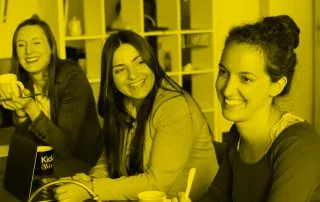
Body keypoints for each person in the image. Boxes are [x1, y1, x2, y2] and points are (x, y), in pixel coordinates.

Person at [54, 30, 219, 201]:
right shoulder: (124, 104)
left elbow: (156, 184)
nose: (133, 75)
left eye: (139, 62)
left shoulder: (175, 107)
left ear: (151, 61)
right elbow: (109, 160)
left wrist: (91, 189)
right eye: (120, 70)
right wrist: (91, 179)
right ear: (111, 79)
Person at [175, 15, 320, 202]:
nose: (227, 89)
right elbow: (217, 197)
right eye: (224, 72)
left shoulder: (298, 146)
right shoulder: (237, 134)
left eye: (245, 78)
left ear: (277, 86)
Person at [0, 16, 103, 166]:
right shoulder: (22, 82)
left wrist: (30, 107)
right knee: (11, 173)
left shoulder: (72, 77)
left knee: (28, 178)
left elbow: (65, 146)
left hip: (81, 159)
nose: (29, 51)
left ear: (50, 47)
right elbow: (29, 145)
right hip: (49, 159)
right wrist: (21, 113)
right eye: (21, 45)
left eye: (36, 43)